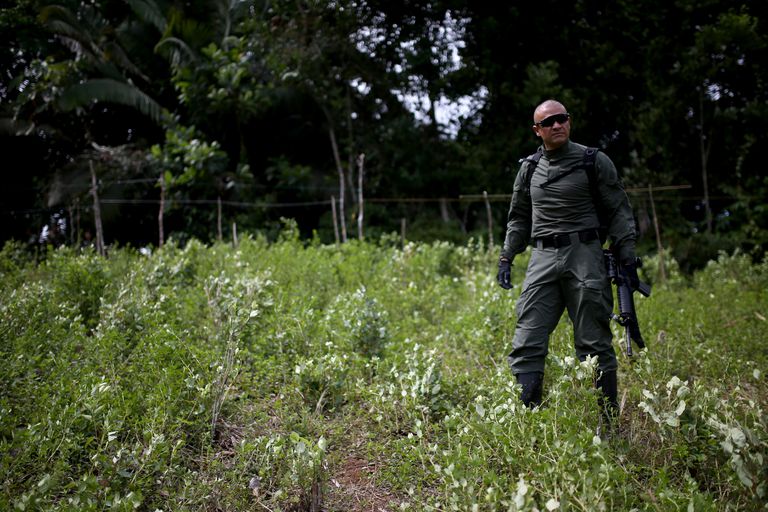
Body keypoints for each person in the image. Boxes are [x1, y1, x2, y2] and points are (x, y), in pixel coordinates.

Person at [496, 99, 639, 430]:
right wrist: (506, 256)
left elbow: (618, 207)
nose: (557, 125)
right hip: (542, 257)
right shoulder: (529, 169)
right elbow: (518, 217)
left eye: (562, 119)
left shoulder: (594, 161)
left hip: (585, 254)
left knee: (592, 342)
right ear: (537, 131)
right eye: (549, 122)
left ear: (569, 122)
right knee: (527, 339)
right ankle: (529, 424)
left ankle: (608, 425)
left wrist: (627, 252)